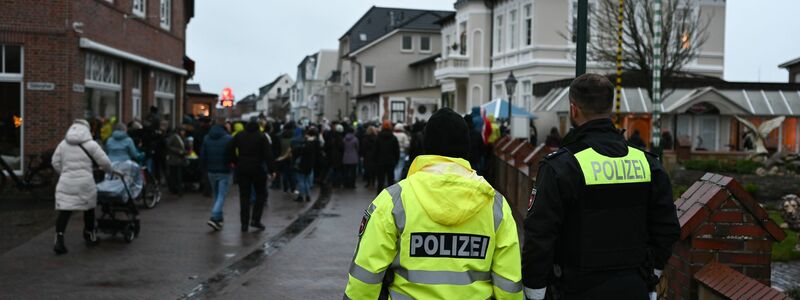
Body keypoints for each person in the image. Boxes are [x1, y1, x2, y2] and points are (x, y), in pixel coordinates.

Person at [521, 74, 679, 300]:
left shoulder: (562, 166)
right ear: (611, 111)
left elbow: (539, 236)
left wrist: (534, 292)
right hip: (634, 288)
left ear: (574, 110)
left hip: (575, 289)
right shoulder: (648, 164)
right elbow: (667, 228)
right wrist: (651, 276)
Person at [344, 108, 523, 299]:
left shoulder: (393, 201)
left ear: (425, 145)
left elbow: (364, 278)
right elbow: (509, 286)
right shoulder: (496, 205)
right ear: (466, 148)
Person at [51, 119, 113, 254]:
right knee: (88, 208)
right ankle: (90, 235)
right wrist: (109, 172)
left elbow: (55, 162)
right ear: (87, 130)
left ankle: (59, 240)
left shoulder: (63, 144)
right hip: (85, 182)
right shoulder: (92, 145)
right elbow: (105, 162)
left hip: (66, 182)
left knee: (65, 211)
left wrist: (65, 173)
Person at [230, 120, 275, 232]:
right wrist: (272, 170)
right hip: (258, 169)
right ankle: (255, 219)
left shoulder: (239, 135)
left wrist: (236, 161)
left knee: (244, 196)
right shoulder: (261, 136)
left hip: (242, 168)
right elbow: (268, 154)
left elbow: (230, 148)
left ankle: (244, 224)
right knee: (260, 194)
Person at [201, 124, 233, 231]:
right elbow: (232, 155)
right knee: (221, 196)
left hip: (211, 171)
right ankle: (214, 217)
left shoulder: (206, 138)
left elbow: (203, 155)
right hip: (224, 170)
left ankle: (219, 219)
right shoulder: (228, 139)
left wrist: (203, 168)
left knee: (217, 195)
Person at [292, 126, 321, 202]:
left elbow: (300, 151)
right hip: (311, 163)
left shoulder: (307, 143)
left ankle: (301, 196)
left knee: (301, 180)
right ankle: (308, 196)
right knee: (307, 181)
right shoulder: (316, 142)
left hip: (303, 163)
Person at [373, 120, 399, 194]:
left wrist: (375, 160)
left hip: (380, 162)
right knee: (390, 180)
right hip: (391, 161)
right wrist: (396, 160)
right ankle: (390, 195)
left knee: (380, 180)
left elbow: (375, 150)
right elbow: (396, 151)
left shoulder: (378, 137)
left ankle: (379, 195)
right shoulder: (393, 138)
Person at [165, 127, 186, 195]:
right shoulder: (174, 137)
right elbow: (168, 145)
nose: (184, 132)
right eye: (182, 131)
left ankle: (178, 189)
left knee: (177, 175)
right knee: (174, 175)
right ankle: (175, 189)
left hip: (179, 160)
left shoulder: (182, 138)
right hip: (174, 159)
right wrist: (178, 151)